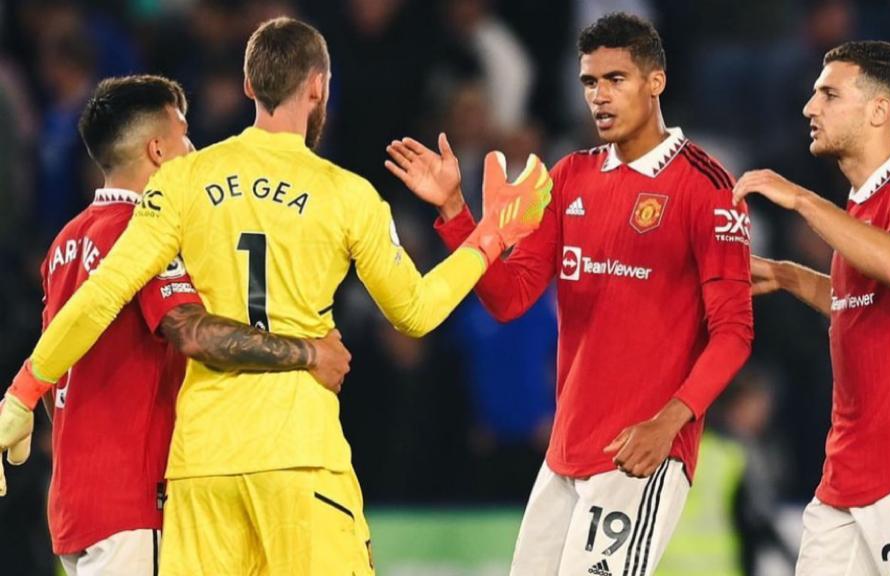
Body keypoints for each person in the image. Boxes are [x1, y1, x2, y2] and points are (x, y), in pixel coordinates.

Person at [0, 16, 551, 576]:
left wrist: (23, 393)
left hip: (203, 471)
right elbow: (415, 313)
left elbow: (101, 297)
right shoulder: (347, 195)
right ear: (318, 87)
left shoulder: (184, 182)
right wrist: (488, 236)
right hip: (300, 461)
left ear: (248, 87)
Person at [386, 12, 752, 575]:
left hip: (641, 455)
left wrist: (669, 422)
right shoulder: (568, 178)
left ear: (656, 81)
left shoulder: (707, 188)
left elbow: (733, 335)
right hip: (564, 456)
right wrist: (458, 215)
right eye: (589, 82)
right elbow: (510, 298)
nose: (599, 97)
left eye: (616, 79)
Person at [8, 74, 352, 576]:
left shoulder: (66, 242)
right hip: (134, 501)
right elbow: (190, 332)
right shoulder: (142, 233)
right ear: (158, 151)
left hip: (74, 505)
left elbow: (60, 360)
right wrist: (310, 352)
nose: (195, 149)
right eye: (185, 135)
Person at [733, 41, 890, 575]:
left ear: (878, 110)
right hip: (844, 484)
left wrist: (801, 200)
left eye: (828, 94)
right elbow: (858, 304)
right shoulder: (862, 212)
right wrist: (786, 274)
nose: (810, 107)